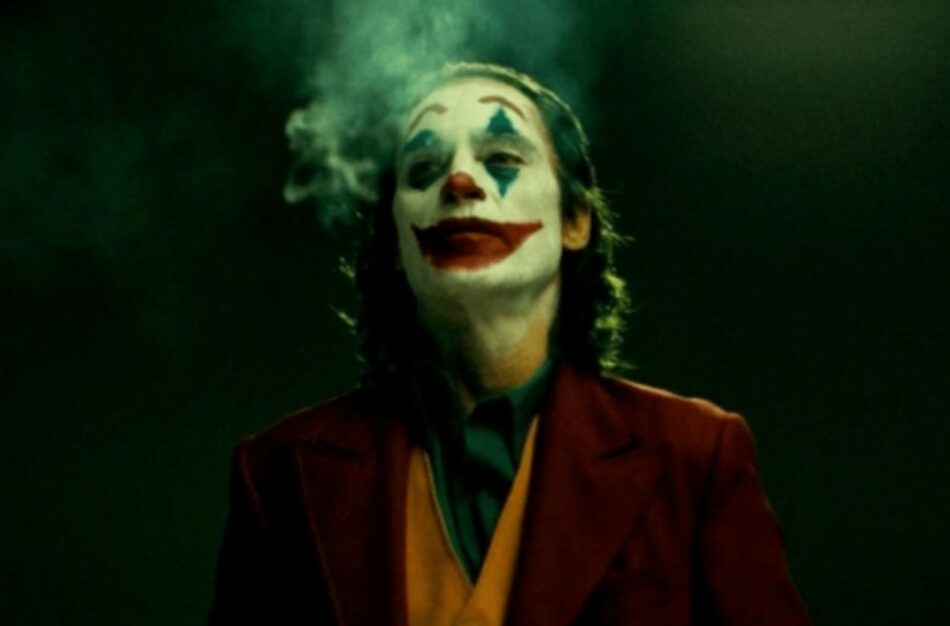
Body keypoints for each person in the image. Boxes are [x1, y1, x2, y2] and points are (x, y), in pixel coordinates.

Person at [209, 62, 812, 626]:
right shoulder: (280, 470)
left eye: (501, 156)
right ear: (394, 242)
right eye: (422, 170)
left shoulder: (693, 454)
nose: (459, 182)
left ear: (574, 220)